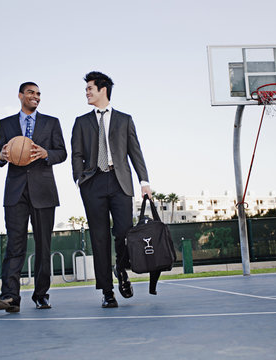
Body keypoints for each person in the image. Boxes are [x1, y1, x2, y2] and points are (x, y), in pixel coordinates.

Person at [71, 71, 152, 308]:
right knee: (99, 238)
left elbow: (135, 152)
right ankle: (107, 291)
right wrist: (79, 179)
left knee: (124, 233)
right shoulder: (81, 122)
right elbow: (76, 154)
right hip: (92, 183)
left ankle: (121, 269)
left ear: (103, 89)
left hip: (120, 182)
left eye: (90, 88)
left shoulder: (124, 119)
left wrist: (144, 181)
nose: (86, 92)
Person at [0, 82, 67, 312]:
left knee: (44, 246)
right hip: (15, 192)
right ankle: (10, 296)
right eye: (31, 93)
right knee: (14, 245)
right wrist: (2, 155)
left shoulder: (51, 123)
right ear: (20, 95)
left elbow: (62, 152)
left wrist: (46, 153)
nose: (36, 96)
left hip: (43, 191)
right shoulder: (5, 124)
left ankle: (41, 294)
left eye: (39, 94)